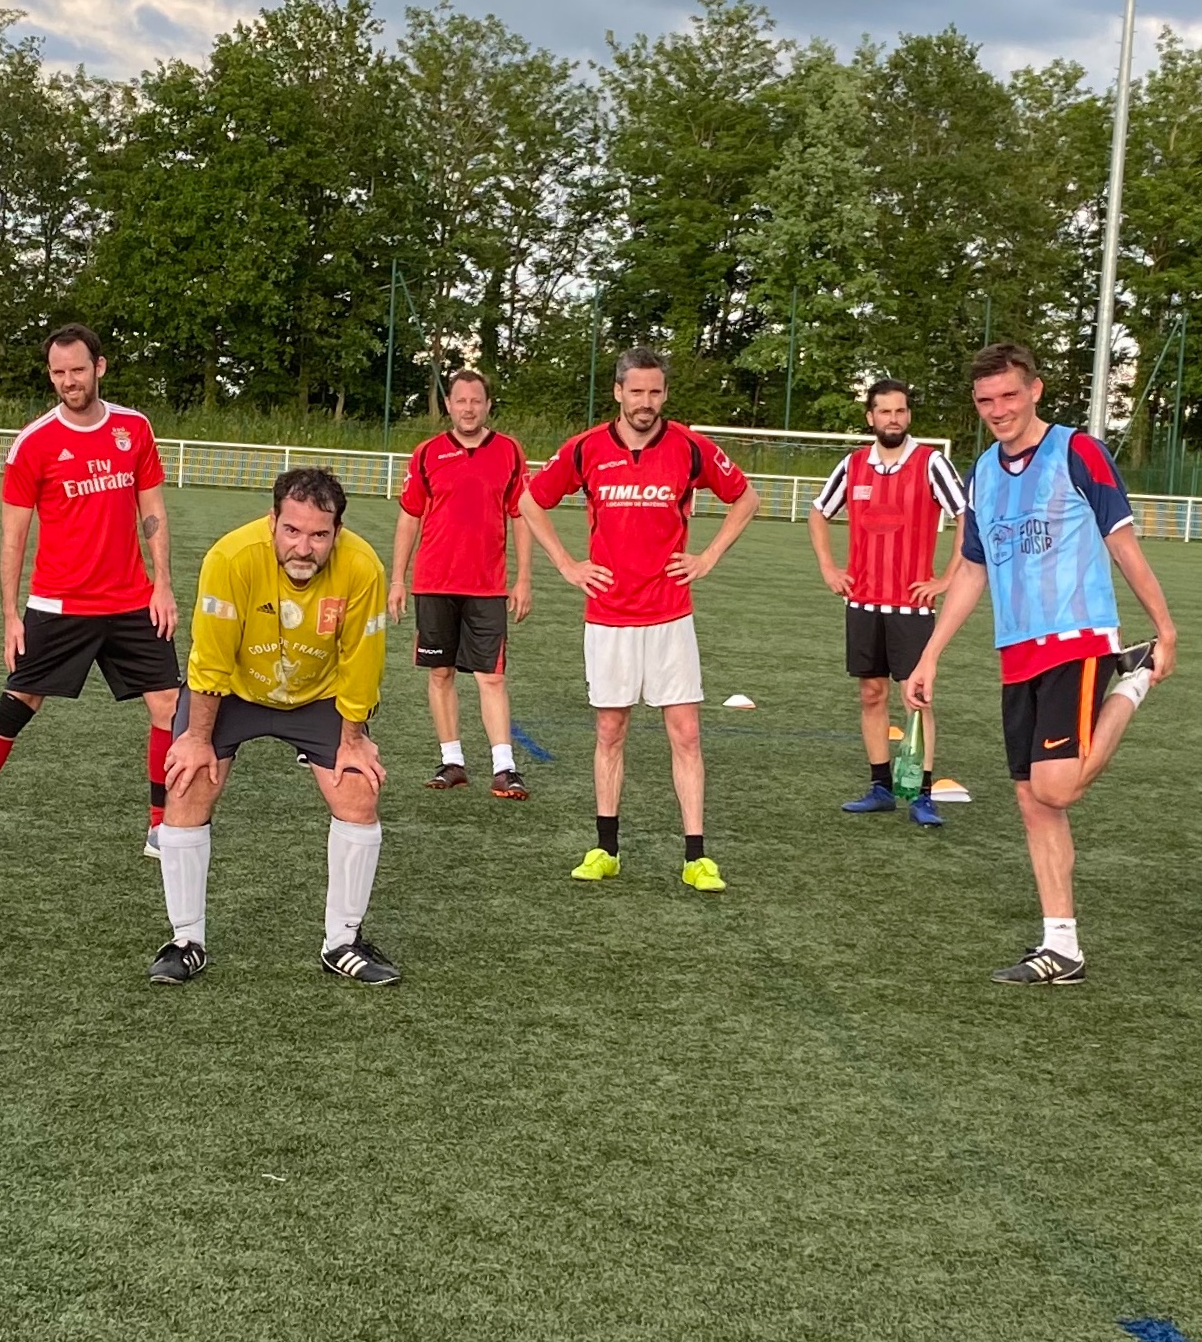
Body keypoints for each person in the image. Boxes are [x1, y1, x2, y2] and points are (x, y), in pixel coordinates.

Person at [906, 342, 1177, 984]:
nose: (998, 410)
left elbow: (1123, 543)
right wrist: (930, 656)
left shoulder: (1077, 451)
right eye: (985, 400)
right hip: (1016, 652)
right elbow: (973, 568)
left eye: (1008, 395)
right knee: (1034, 803)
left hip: (1077, 639)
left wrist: (1165, 628)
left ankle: (1132, 679)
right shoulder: (982, 472)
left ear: (1036, 390)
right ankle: (1063, 948)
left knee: (1056, 787)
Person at [0, 326, 180, 864]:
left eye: (78, 369)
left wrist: (162, 584)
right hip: (58, 604)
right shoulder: (33, 443)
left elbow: (152, 510)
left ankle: (161, 828)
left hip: (132, 601)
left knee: (169, 706)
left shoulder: (134, 429)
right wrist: (9, 616)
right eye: (58, 372)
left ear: (100, 368)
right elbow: (13, 537)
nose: (69, 380)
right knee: (18, 703)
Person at [151, 467, 402, 987]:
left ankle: (343, 942)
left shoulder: (362, 568)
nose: (304, 547)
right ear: (272, 522)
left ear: (338, 532)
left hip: (318, 694)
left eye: (318, 534)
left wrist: (353, 740)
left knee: (358, 793)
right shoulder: (231, 557)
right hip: (236, 691)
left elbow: (362, 663)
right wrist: (197, 740)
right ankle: (186, 940)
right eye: (292, 530)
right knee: (188, 782)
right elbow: (210, 659)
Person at [522, 348, 759, 891]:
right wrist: (566, 564)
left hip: (670, 612)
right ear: (618, 392)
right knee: (610, 729)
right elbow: (532, 501)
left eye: (655, 392)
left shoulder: (690, 447)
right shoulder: (584, 449)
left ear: (664, 395)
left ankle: (696, 856)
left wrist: (709, 557)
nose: (645, 402)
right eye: (636, 391)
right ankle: (606, 848)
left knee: (687, 733)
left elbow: (745, 497)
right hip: (608, 614)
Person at [812, 377, 967, 827]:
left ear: (908, 416)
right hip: (863, 602)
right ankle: (881, 787)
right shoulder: (854, 464)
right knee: (871, 692)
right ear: (871, 417)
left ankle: (922, 793)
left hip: (912, 605)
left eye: (900, 411)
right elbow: (819, 511)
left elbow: (966, 516)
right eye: (885, 412)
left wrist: (946, 578)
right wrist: (828, 568)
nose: (893, 419)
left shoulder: (931, 462)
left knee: (915, 697)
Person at [389, 367, 531, 799]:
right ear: (448, 405)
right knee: (441, 672)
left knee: (491, 677)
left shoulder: (509, 451)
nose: (468, 408)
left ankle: (504, 768)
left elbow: (521, 515)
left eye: (476, 400)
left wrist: (524, 578)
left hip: (488, 586)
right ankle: (452, 761)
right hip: (433, 583)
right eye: (460, 400)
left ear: (487, 405)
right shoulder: (428, 453)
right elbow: (409, 517)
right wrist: (397, 579)